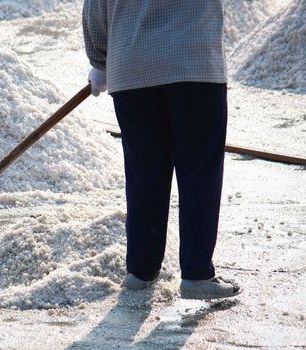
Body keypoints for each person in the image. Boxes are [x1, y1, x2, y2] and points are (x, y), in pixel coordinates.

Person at [82, 0, 241, 299]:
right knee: (199, 172)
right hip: (192, 64)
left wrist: (100, 62)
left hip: (130, 68)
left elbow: (95, 11)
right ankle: (196, 273)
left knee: (145, 172)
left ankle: (140, 271)